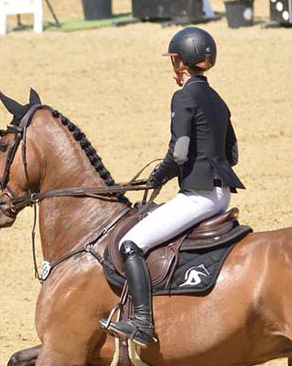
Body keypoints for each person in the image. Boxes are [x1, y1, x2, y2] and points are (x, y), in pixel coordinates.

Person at [100, 26, 245, 348]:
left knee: (131, 243)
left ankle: (141, 322)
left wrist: (159, 176)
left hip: (199, 196)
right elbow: (232, 154)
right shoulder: (218, 101)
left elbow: (179, 152)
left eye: (174, 61)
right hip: (221, 195)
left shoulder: (184, 97)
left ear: (181, 63)